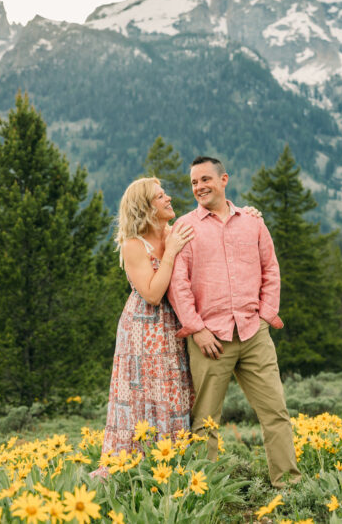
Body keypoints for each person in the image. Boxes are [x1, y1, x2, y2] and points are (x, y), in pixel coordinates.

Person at [168, 156, 301, 489]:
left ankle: (289, 486)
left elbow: (271, 269)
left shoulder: (253, 223)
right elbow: (177, 283)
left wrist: (266, 313)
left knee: (275, 412)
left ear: (223, 179)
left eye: (205, 179)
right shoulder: (184, 227)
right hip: (210, 339)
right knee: (205, 421)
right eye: (194, 182)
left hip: (254, 332)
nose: (199, 187)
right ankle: (205, 492)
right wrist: (196, 329)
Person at [94, 177, 196, 472]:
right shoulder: (134, 245)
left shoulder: (175, 231)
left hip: (172, 325)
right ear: (146, 207)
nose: (169, 199)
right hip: (143, 329)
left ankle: (172, 463)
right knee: (143, 394)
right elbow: (151, 294)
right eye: (160, 196)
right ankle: (133, 467)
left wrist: (251, 214)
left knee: (172, 391)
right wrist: (171, 252)